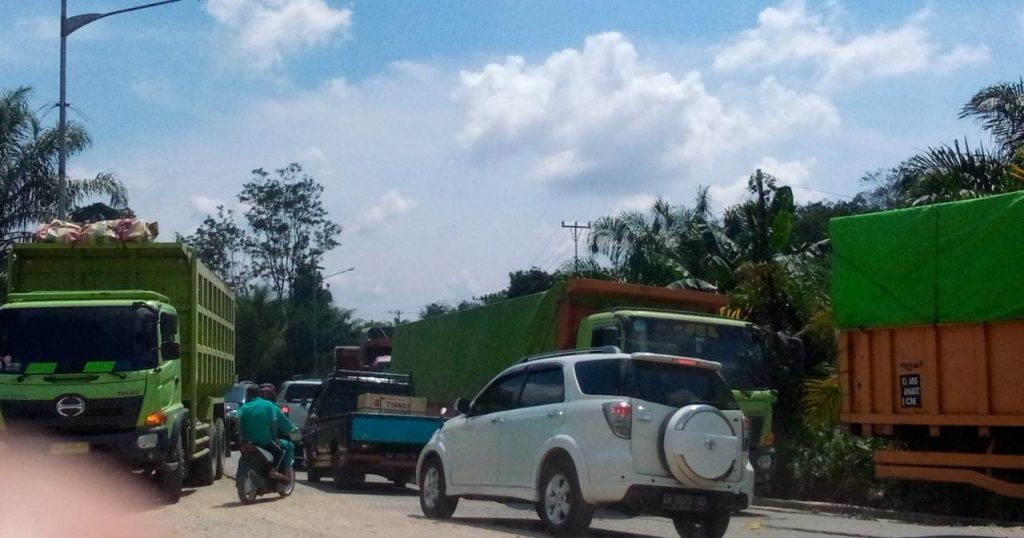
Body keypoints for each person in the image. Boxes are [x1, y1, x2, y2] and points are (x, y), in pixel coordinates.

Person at [235, 384, 297, 481]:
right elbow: (278, 422)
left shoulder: (244, 406)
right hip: (265, 441)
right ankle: (274, 471)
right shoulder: (270, 406)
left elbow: (237, 418)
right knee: (281, 451)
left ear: (247, 395)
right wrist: (275, 435)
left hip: (248, 442)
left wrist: (241, 435)